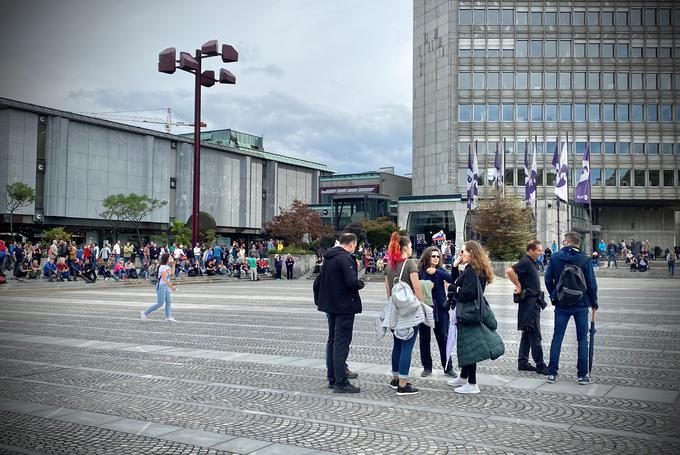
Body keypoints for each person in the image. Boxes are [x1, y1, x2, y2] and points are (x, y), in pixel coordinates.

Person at [447, 240, 504, 394]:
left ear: (472, 253)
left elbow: (467, 292)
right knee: (467, 345)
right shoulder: (473, 268)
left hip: (469, 313)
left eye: (463, 252)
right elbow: (459, 282)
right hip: (471, 312)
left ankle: (472, 384)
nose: (461, 254)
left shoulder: (473, 270)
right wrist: (454, 267)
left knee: (470, 348)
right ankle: (464, 377)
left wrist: (452, 288)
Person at [544, 231, 598, 385]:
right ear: (578, 243)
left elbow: (548, 279)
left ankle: (552, 373)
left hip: (561, 304)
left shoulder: (555, 257)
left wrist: (555, 295)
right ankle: (582, 375)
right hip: (581, 304)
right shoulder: (585, 259)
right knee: (582, 339)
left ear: (567, 242)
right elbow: (591, 284)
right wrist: (594, 303)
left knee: (557, 337)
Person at [315, 232, 365, 393]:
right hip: (344, 306)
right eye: (355, 246)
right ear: (351, 244)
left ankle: (332, 377)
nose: (354, 249)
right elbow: (351, 282)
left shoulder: (328, 257)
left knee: (332, 341)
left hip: (331, 305)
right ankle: (341, 382)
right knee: (341, 343)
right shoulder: (345, 258)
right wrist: (361, 283)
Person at [382, 232, 426, 396]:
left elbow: (388, 293)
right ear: (406, 247)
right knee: (407, 345)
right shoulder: (410, 264)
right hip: (409, 312)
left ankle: (395, 379)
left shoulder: (389, 265)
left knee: (398, 344)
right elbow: (417, 288)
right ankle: (403, 384)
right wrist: (422, 305)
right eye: (411, 246)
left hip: (395, 311)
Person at [506, 240, 548, 375]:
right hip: (530, 304)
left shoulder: (531, 262)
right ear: (530, 250)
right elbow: (509, 270)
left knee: (527, 332)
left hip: (531, 302)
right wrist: (518, 285)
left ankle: (523, 362)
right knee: (535, 334)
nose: (540, 252)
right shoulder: (525, 261)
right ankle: (540, 365)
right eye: (538, 250)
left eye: (541, 250)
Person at [417, 246, 454, 377]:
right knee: (424, 339)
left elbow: (451, 278)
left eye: (438, 256)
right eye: (433, 256)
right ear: (427, 257)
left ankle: (448, 367)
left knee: (443, 338)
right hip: (425, 308)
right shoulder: (420, 271)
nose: (436, 258)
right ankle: (427, 367)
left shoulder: (440, 270)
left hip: (440, 309)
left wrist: (436, 272)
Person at [141, 253, 177, 322]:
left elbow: (172, 273)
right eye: (170, 258)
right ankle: (144, 313)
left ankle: (168, 317)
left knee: (168, 301)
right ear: (166, 259)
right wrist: (172, 286)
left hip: (165, 286)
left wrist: (173, 265)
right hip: (161, 286)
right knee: (160, 303)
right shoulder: (163, 267)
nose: (171, 258)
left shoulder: (167, 266)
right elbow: (164, 278)